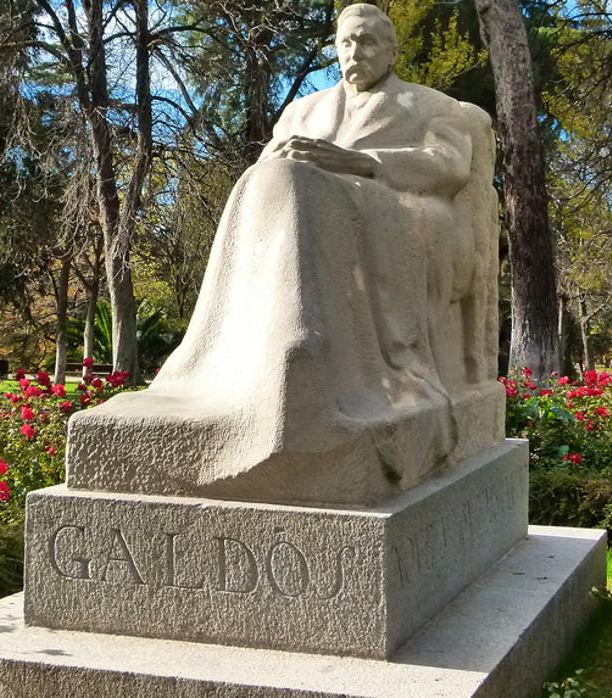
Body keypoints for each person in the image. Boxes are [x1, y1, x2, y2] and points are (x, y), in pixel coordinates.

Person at [66, 3, 502, 506]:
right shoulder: (302, 111)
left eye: (367, 41)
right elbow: (271, 164)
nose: (354, 52)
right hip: (303, 212)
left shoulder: (431, 106)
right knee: (266, 180)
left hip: (387, 213)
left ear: (392, 50)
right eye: (345, 42)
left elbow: (448, 167)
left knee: (295, 184)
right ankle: (236, 365)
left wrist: (361, 162)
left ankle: (321, 363)